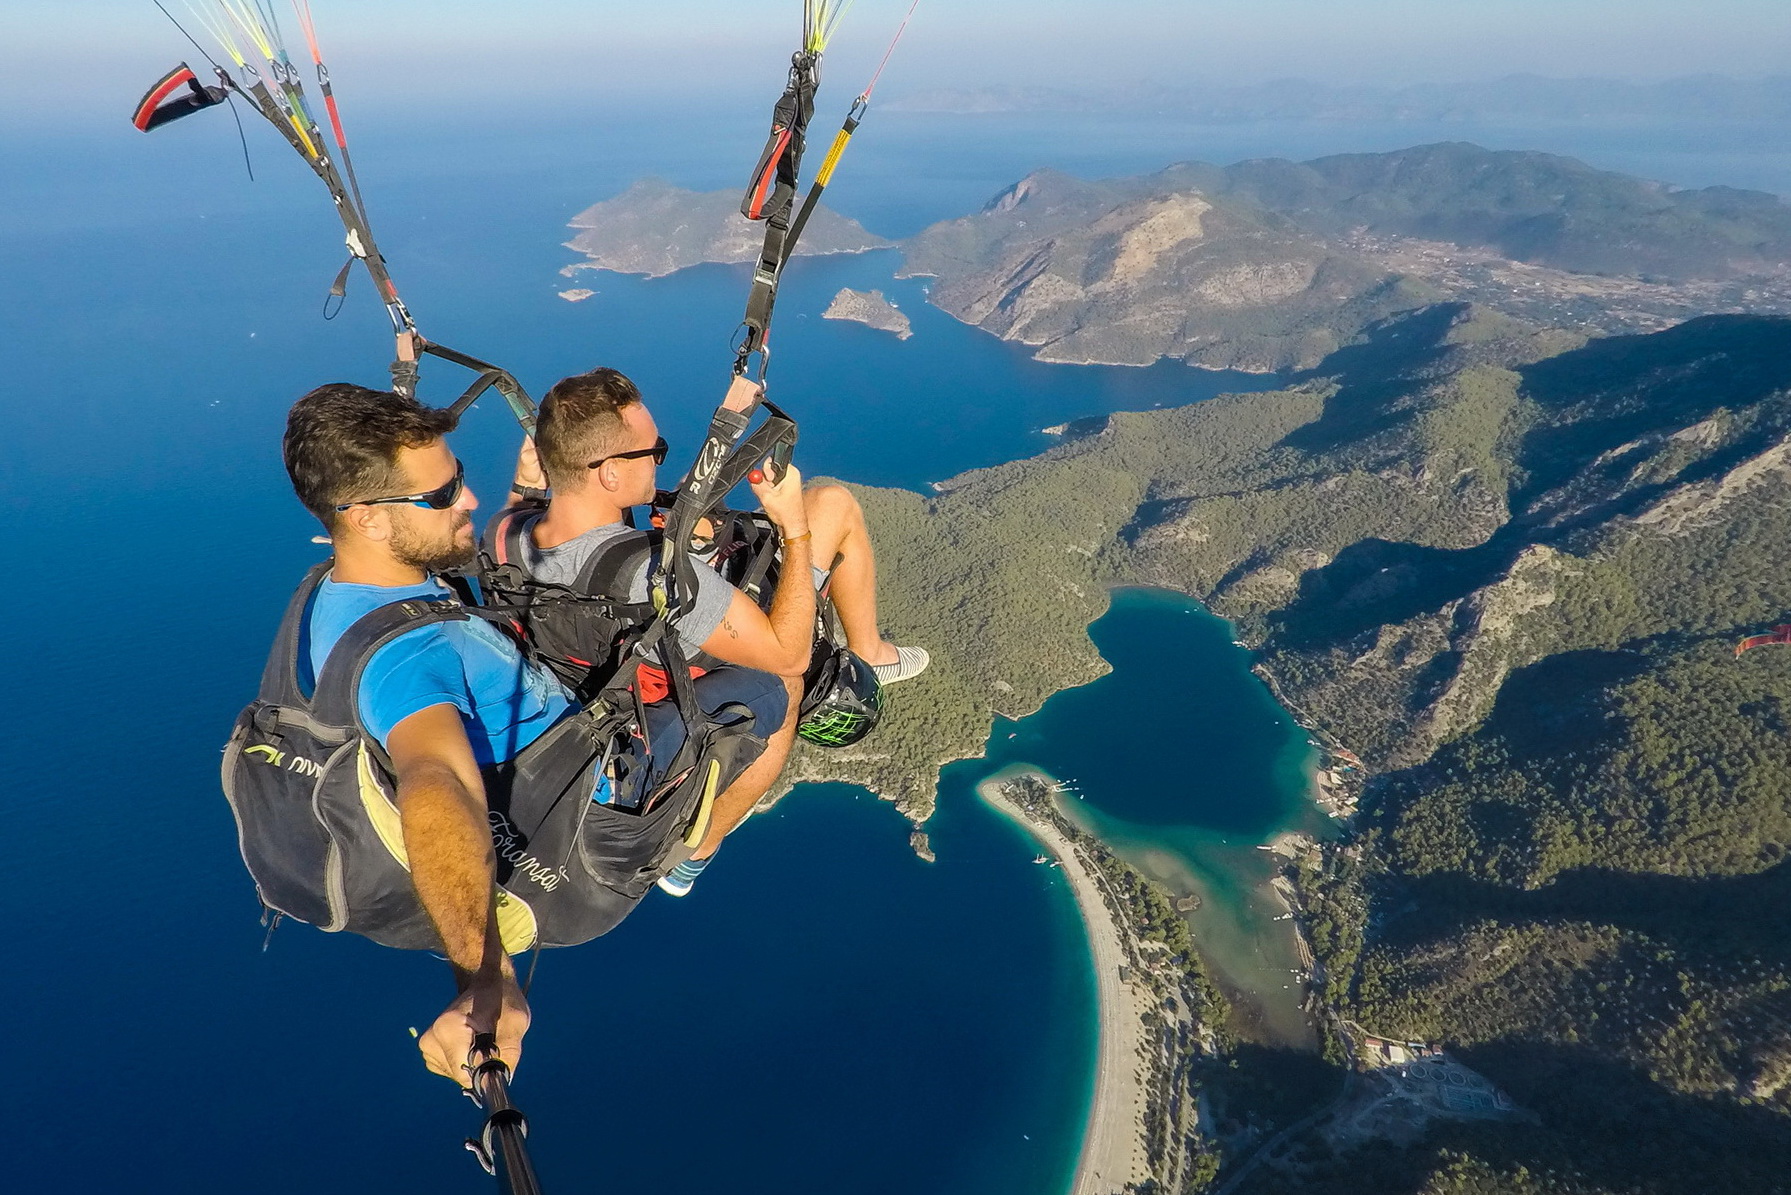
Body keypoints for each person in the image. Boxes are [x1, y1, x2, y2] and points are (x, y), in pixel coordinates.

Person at [279, 382, 787, 1088]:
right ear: (365, 518)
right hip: (582, 840)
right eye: (441, 496)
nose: (467, 500)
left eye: (455, 480)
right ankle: (689, 855)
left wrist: (527, 491)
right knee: (781, 690)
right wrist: (483, 975)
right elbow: (437, 783)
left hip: (537, 755)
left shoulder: (340, 595)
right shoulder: (408, 660)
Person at [509, 367, 930, 895]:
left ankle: (871, 649)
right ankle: (699, 847)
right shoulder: (650, 573)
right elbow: (787, 653)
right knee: (790, 666)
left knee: (715, 520)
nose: (660, 458)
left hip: (601, 657)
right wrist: (792, 527)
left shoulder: (508, 533)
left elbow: (531, 504)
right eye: (652, 451)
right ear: (609, 474)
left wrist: (528, 479)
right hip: (675, 670)